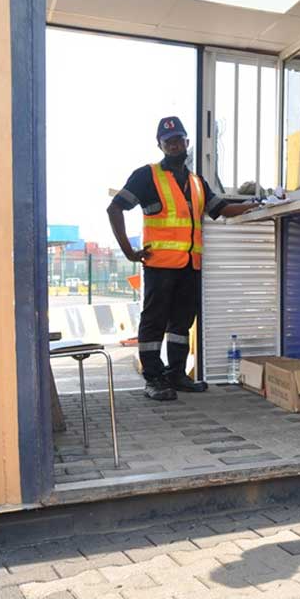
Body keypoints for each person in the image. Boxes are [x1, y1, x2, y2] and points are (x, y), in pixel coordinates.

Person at [107, 116, 256, 401]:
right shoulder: (146, 176)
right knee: (154, 323)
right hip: (159, 266)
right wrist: (128, 250)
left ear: (187, 142)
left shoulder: (197, 182)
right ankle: (153, 378)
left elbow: (222, 209)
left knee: (182, 323)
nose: (175, 145)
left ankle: (176, 374)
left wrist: (257, 204)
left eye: (179, 140)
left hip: (190, 266)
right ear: (160, 146)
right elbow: (115, 209)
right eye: (169, 142)